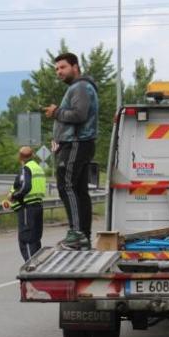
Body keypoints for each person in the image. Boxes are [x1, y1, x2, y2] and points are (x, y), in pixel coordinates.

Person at [44, 52, 98, 250]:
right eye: (57, 69)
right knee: (79, 191)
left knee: (66, 186)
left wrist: (56, 112)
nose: (59, 72)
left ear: (75, 67)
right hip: (78, 143)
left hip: (76, 143)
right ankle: (83, 236)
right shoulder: (80, 87)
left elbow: (79, 114)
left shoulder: (80, 87)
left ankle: (76, 235)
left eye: (63, 67)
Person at [3, 146, 47, 261]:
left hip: (27, 209)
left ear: (20, 157)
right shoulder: (38, 168)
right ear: (32, 155)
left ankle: (31, 268)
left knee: (26, 239)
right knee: (35, 240)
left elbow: (25, 187)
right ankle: (38, 268)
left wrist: (13, 196)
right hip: (38, 206)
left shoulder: (26, 169)